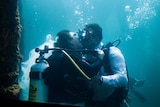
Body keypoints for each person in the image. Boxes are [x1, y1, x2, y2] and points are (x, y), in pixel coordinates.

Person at [43, 30, 102, 106]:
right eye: (75, 35)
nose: (78, 37)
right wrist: (100, 59)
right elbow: (89, 72)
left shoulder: (59, 54)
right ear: (69, 41)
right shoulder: (66, 56)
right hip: (65, 102)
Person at [77, 23, 129, 107]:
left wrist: (100, 80)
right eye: (82, 34)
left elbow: (123, 79)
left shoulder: (112, 52)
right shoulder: (82, 54)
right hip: (90, 102)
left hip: (111, 102)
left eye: (86, 35)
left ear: (96, 38)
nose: (82, 38)